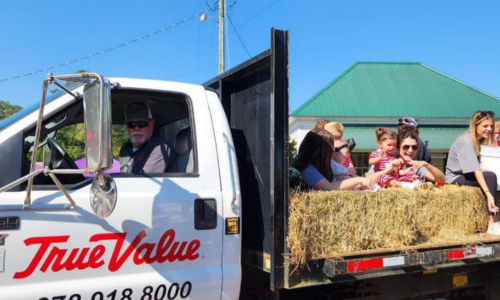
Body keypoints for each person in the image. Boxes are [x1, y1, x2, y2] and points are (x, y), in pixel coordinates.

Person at [445, 110, 500, 235]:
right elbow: (476, 171)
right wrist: (489, 194)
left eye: (491, 126)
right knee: (490, 177)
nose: (489, 129)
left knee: (492, 175)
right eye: (485, 126)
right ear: (475, 125)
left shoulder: (480, 141)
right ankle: (493, 222)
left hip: (467, 174)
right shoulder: (466, 141)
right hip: (454, 177)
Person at [294, 128, 377, 191]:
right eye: (330, 149)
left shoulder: (314, 167)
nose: (332, 152)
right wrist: (359, 180)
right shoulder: (308, 170)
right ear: (319, 151)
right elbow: (328, 187)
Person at [119, 102, 174, 174]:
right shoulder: (125, 148)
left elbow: (144, 183)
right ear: (126, 127)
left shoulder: (160, 147)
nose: (136, 128)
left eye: (142, 123)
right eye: (131, 124)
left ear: (152, 124)